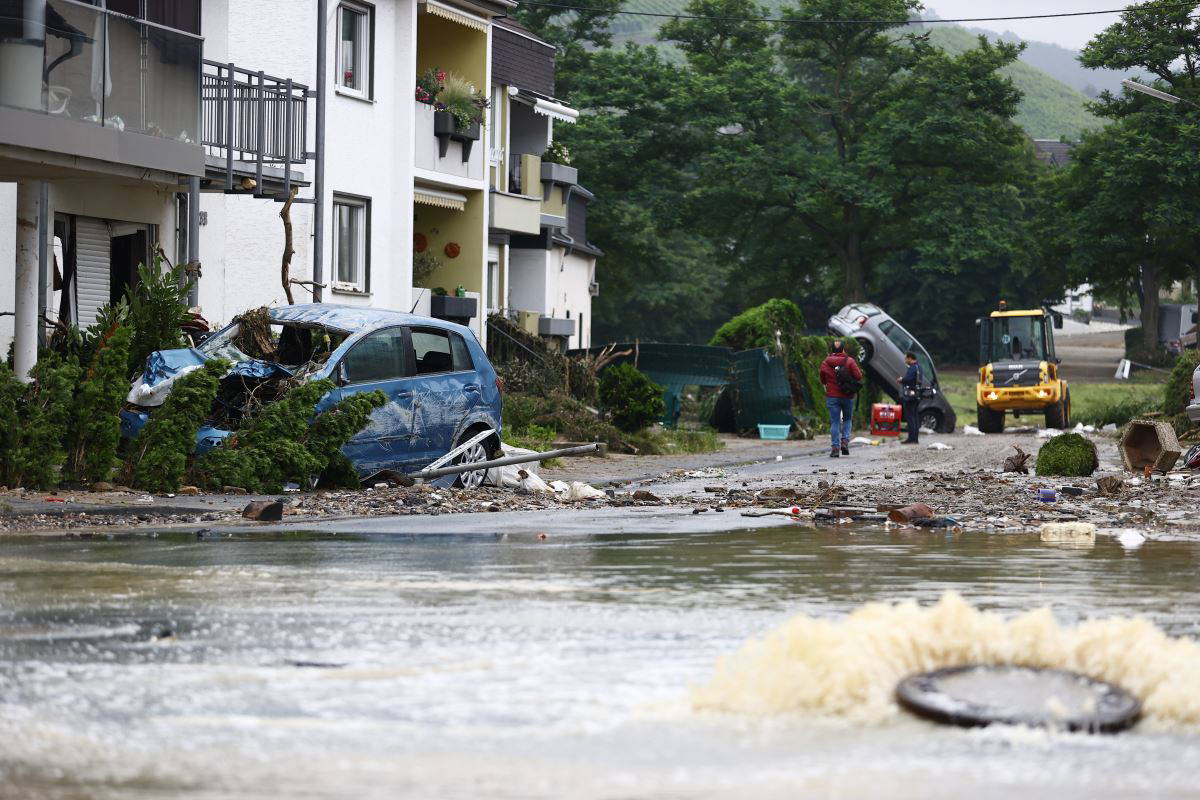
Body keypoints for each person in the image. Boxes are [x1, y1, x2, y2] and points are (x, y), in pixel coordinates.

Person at [819, 340, 863, 458]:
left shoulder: (825, 363)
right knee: (847, 419)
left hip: (832, 396)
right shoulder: (850, 361)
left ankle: (835, 448)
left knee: (835, 422)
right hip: (847, 396)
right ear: (843, 350)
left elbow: (823, 380)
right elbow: (858, 376)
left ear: (831, 350)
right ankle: (844, 442)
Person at [899, 351, 923, 444]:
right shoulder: (919, 367)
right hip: (917, 395)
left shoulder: (912, 368)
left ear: (910, 358)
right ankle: (915, 438)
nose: (905, 360)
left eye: (906, 359)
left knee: (910, 417)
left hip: (910, 396)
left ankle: (911, 438)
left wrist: (902, 380)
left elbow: (908, 379)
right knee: (915, 416)